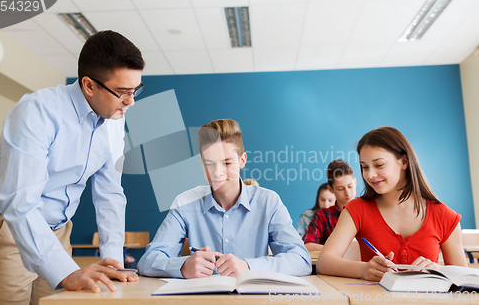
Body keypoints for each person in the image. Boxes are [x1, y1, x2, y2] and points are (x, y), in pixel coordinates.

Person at [0, 30, 144, 304]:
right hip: (5, 231)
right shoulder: (37, 112)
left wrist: (112, 259)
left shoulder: (114, 119)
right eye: (123, 92)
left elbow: (110, 193)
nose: (131, 101)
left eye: (135, 89)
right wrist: (66, 272)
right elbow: (18, 202)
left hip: (58, 232)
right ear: (89, 85)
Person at [138, 119, 312, 278]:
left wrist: (248, 266)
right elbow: (148, 261)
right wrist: (182, 266)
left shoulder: (268, 201)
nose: (217, 172)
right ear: (201, 162)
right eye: (209, 163)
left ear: (242, 160)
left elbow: (301, 261)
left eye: (227, 163)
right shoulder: (185, 203)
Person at [316, 126, 468, 281]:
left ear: (404, 162)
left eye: (379, 165)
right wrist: (364, 269)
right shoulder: (357, 209)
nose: (370, 174)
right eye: (364, 167)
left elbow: (465, 277)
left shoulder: (445, 216)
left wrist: (439, 270)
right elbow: (324, 262)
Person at [302, 160, 357, 251]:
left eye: (350, 186)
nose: (347, 193)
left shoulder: (368, 210)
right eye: (340, 189)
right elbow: (307, 245)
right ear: (331, 189)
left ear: (355, 182)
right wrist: (339, 251)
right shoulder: (322, 216)